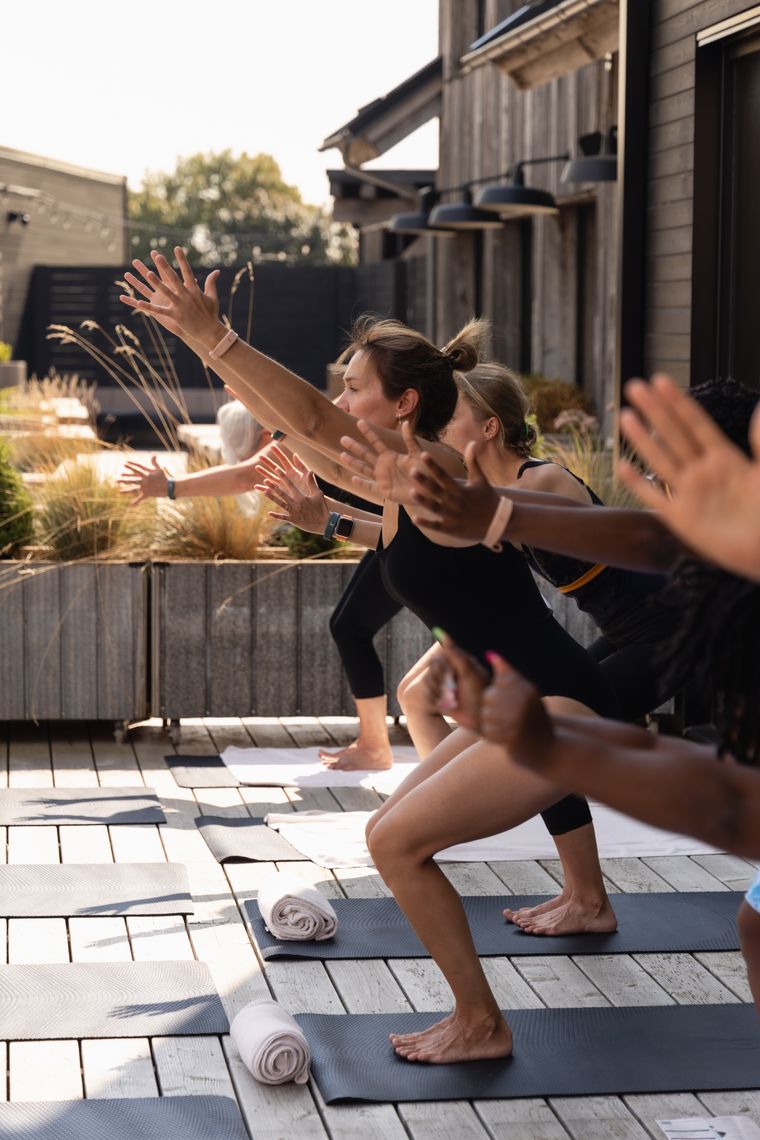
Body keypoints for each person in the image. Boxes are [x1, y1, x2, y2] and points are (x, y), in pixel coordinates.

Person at [120, 247, 621, 1063]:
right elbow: (307, 433)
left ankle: (483, 1023)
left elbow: (312, 422)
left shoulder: (438, 468)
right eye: (345, 384)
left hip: (560, 709)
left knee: (393, 845)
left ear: (404, 402)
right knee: (389, 829)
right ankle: (498, 995)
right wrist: (320, 507)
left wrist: (216, 340)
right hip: (529, 702)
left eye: (356, 384)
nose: (342, 396)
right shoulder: (398, 479)